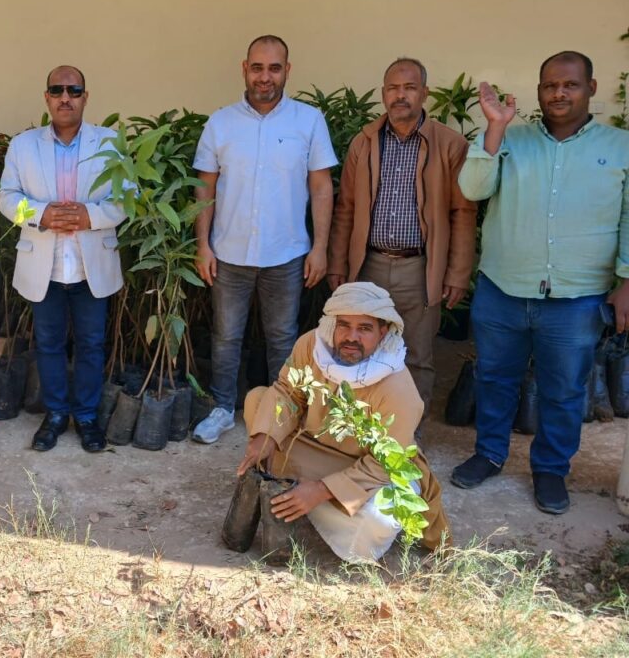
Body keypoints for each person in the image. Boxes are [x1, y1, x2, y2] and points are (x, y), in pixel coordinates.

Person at [451, 51, 629, 514]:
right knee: (494, 377)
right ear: (538, 91)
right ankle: (489, 453)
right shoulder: (510, 138)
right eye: (549, 85)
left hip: (576, 297)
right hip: (503, 289)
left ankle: (551, 469)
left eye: (570, 84)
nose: (559, 93)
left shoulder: (620, 146)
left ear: (591, 87)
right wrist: (493, 127)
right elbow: (472, 189)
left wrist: (627, 280)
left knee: (565, 389)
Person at [236, 282, 448, 562]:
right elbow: (288, 392)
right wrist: (267, 438)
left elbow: (387, 463)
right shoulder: (311, 345)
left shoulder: (398, 387)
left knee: (380, 520)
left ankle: (303, 497)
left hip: (370, 468)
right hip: (314, 448)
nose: (351, 337)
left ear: (383, 332)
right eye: (344, 325)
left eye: (364, 328)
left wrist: (323, 490)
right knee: (258, 402)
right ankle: (300, 496)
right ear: (331, 325)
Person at [192, 35, 337, 444]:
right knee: (225, 336)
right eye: (257, 67)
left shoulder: (308, 121)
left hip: (286, 254)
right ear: (244, 69)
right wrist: (203, 245)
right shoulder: (220, 123)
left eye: (274, 68)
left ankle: (281, 414)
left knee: (282, 337)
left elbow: (322, 188)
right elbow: (204, 189)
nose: (265, 77)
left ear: (287, 71)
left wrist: (320, 246)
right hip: (229, 252)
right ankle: (222, 408)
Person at [327, 58, 476, 420]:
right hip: (368, 265)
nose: (401, 95)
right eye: (393, 88)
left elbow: (462, 212)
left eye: (409, 88)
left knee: (417, 357)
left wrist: (457, 273)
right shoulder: (364, 142)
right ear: (383, 94)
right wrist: (336, 265)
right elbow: (345, 207)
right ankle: (362, 431)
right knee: (360, 348)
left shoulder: (449, 145)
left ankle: (409, 437)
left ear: (424, 93)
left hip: (419, 268)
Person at [0, 66, 125, 452]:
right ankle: (54, 415)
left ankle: (86, 417)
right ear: (47, 98)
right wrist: (40, 213)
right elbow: (6, 196)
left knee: (90, 344)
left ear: (86, 96)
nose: (65, 97)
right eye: (57, 90)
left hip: (91, 265)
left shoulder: (110, 142)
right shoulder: (23, 145)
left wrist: (90, 216)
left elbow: (125, 199)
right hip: (44, 264)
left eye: (74, 90)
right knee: (49, 344)